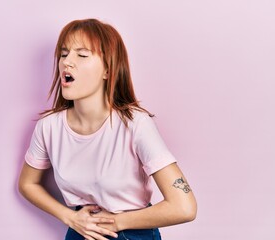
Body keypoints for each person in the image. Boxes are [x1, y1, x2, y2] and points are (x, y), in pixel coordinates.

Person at [18, 18, 197, 240]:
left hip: (132, 232)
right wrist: (69, 217)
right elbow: (27, 183)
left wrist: (114, 222)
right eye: (64, 54)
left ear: (107, 70)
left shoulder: (135, 124)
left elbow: (184, 207)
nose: (66, 62)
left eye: (82, 55)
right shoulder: (49, 127)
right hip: (80, 231)